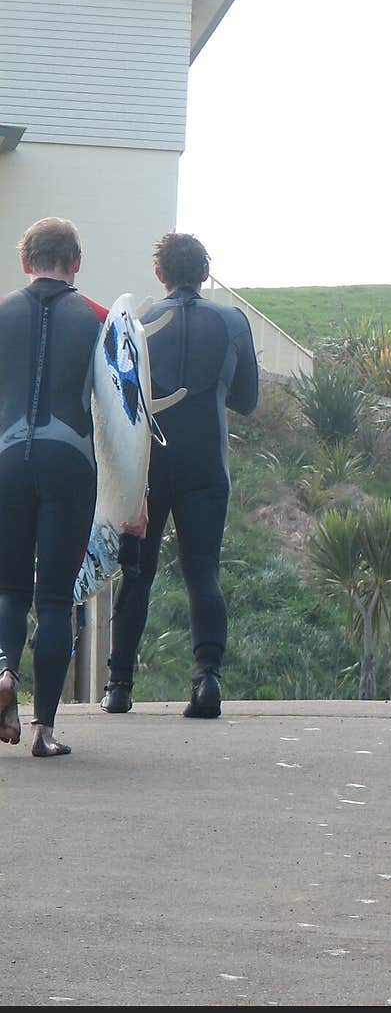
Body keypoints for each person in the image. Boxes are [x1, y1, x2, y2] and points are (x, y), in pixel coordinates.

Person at [100, 232, 259, 719]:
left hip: (148, 463)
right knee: (202, 571)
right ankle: (207, 680)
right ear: (206, 274)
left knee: (137, 573)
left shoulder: (138, 322)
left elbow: (117, 400)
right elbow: (247, 401)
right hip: (207, 461)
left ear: (159, 274)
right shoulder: (232, 321)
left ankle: (120, 687)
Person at [0, 218, 109, 757]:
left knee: (9, 591)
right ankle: (43, 731)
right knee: (55, 598)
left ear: (26, 262)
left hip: (5, 460)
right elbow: (121, 418)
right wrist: (129, 495)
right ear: (76, 263)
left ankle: (2, 672)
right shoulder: (100, 320)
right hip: (70, 460)